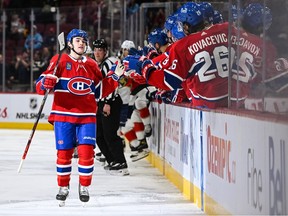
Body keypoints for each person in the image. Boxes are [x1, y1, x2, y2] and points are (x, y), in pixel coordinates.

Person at [35, 29, 125, 206]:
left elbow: (99, 91)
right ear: (69, 43)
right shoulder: (58, 60)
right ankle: (63, 187)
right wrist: (45, 82)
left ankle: (84, 186)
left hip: (86, 117)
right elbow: (40, 86)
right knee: (64, 154)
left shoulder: (91, 65)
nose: (82, 43)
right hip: (63, 116)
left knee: (86, 154)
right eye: (77, 40)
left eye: (84, 40)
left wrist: (114, 77)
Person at [92, 38, 129, 175]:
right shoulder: (99, 64)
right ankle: (112, 160)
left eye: (100, 50)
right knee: (99, 135)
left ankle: (121, 162)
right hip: (103, 102)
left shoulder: (109, 63)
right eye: (95, 50)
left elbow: (113, 83)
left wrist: (107, 102)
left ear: (105, 51)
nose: (97, 53)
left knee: (109, 134)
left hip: (111, 102)